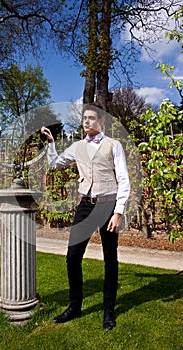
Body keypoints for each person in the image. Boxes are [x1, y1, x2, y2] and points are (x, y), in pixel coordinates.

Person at [41, 102, 130, 330]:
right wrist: (52, 143)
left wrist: (118, 212)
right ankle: (75, 306)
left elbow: (123, 180)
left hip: (108, 204)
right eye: (84, 118)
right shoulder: (77, 146)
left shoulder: (114, 145)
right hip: (85, 204)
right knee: (72, 256)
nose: (86, 121)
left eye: (91, 118)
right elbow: (53, 164)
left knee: (110, 259)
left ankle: (109, 311)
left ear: (101, 121)